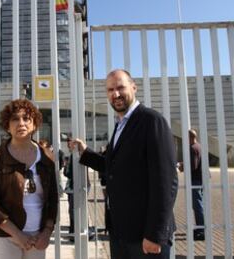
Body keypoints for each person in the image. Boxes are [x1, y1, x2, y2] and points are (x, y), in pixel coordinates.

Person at [71, 69, 178, 259]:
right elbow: (116, 168)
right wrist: (85, 152)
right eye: (110, 90)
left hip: (145, 235)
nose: (116, 94)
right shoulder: (121, 125)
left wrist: (155, 234)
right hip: (121, 232)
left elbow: (166, 182)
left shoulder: (151, 121)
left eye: (120, 87)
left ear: (134, 87)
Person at [0, 99, 58, 259]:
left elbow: (52, 198)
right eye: (15, 119)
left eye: (26, 118)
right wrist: (17, 234)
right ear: (7, 125)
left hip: (37, 237)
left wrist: (47, 232)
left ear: (34, 123)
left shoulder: (46, 156)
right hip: (6, 236)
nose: (21, 123)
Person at [177, 129, 205, 241]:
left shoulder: (193, 148)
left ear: (190, 137)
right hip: (200, 179)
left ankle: (201, 230)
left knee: (197, 205)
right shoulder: (199, 146)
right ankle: (200, 227)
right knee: (199, 204)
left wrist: (180, 166)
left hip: (196, 180)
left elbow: (193, 166)